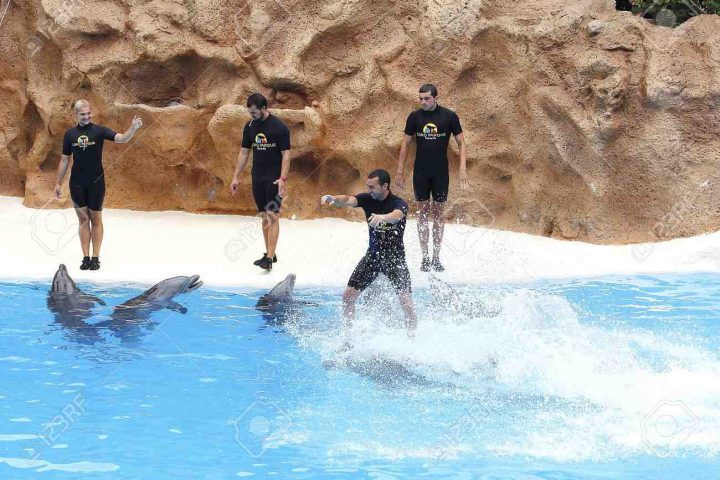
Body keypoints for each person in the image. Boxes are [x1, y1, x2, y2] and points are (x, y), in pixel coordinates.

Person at [321, 169, 417, 335]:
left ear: (385, 186)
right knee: (348, 297)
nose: (369, 190)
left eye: (372, 187)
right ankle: (347, 337)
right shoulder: (367, 199)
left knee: (407, 304)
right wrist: (333, 198)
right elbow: (349, 200)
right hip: (373, 257)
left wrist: (383, 218)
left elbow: (397, 215)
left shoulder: (398, 203)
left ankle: (412, 337)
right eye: (368, 186)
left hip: (395, 260)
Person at [54, 99, 143, 271]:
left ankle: (96, 257)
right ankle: (85, 257)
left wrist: (133, 128)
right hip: (77, 183)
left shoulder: (99, 131)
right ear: (75, 115)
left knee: (96, 218)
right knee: (83, 219)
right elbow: (65, 159)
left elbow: (122, 139)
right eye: (82, 114)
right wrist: (58, 183)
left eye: (88, 113)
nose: (86, 117)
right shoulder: (70, 135)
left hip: (96, 182)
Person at [396, 83, 468, 272]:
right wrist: (399, 171)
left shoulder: (449, 116)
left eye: (427, 98)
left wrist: (462, 169)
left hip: (440, 173)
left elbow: (461, 143)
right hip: (420, 172)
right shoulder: (414, 117)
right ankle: (425, 257)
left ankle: (436, 256)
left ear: (436, 98)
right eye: (420, 98)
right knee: (422, 214)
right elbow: (405, 144)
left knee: (438, 214)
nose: (423, 102)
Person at [230, 93, 291, 271]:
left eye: (254, 112)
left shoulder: (279, 127)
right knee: (264, 216)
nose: (252, 116)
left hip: (273, 179)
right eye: (250, 113)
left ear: (264, 109)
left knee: (273, 215)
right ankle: (269, 253)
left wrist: (282, 179)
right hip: (257, 177)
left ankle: (270, 258)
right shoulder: (250, 126)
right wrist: (235, 176)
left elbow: (286, 155)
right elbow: (244, 152)